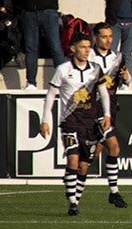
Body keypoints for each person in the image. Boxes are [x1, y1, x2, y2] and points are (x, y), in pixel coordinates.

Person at [39, 32, 111, 216]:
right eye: (83, 47)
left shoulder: (95, 69)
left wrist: (107, 114)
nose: (87, 51)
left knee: (84, 166)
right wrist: (45, 120)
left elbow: (103, 93)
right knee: (73, 159)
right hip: (70, 123)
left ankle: (76, 198)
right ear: (73, 49)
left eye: (88, 47)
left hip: (89, 123)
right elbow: (51, 95)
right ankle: (72, 204)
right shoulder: (63, 70)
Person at [90, 23, 129, 208]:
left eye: (110, 36)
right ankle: (114, 193)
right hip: (92, 109)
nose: (108, 40)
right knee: (114, 148)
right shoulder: (88, 57)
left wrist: (126, 77)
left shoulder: (117, 57)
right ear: (95, 38)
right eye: (104, 36)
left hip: (110, 108)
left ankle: (74, 195)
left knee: (93, 155)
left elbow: (124, 81)